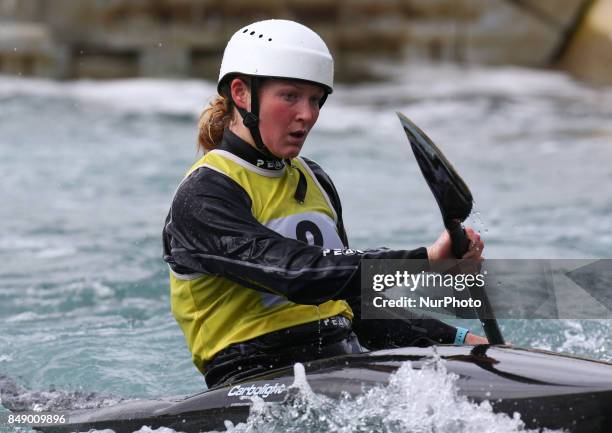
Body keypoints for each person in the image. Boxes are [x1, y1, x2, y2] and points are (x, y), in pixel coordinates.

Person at [162, 19, 486, 388]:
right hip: (256, 381)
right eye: (290, 96)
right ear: (240, 92)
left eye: (316, 99)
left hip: (344, 363)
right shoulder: (205, 195)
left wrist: (458, 341)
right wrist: (421, 261)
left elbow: (353, 304)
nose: (308, 114)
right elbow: (295, 273)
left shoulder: (314, 179)